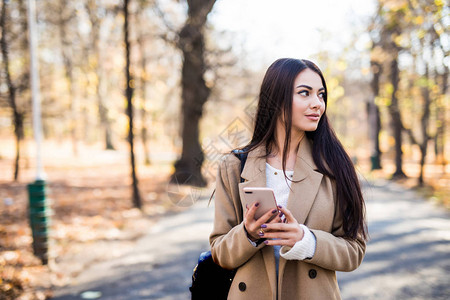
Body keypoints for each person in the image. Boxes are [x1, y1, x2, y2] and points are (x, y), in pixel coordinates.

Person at [209, 58, 368, 300]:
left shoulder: (335, 166)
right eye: (305, 93)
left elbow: (354, 250)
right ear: (276, 99)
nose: (317, 104)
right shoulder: (234, 165)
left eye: (321, 95)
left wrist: (306, 240)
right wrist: (248, 234)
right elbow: (220, 253)